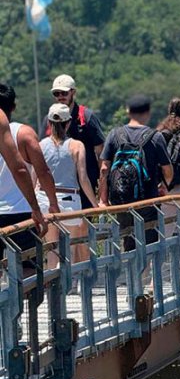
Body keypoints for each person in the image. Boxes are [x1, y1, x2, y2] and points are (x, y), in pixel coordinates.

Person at [98, 95, 173, 253]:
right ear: (148, 113)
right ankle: (145, 277)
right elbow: (167, 169)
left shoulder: (114, 134)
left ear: (128, 112)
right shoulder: (155, 137)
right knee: (150, 245)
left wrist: (103, 200)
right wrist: (164, 186)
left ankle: (133, 276)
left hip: (122, 201)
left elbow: (104, 168)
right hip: (148, 201)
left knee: (129, 243)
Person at [38, 103, 98, 267]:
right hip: (69, 198)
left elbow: (35, 177)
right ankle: (71, 285)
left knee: (52, 248)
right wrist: (95, 205)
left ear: (49, 122)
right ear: (69, 122)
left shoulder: (41, 145)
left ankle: (53, 288)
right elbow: (83, 179)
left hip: (45, 199)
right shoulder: (76, 146)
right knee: (70, 247)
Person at [0, 89, 49, 276]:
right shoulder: (20, 131)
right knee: (28, 268)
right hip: (18, 211)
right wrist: (36, 208)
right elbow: (21, 170)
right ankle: (23, 305)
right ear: (13, 106)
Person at [41, 74, 105, 210]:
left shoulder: (87, 117)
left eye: (64, 92)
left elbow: (101, 152)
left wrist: (103, 187)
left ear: (73, 92)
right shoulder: (49, 119)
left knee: (84, 227)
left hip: (85, 183)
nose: (60, 96)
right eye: (56, 93)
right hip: (58, 185)